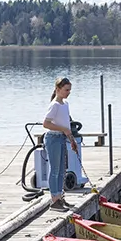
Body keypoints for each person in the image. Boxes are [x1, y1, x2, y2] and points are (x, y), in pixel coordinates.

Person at [42, 77, 78, 211]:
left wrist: (72, 139)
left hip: (62, 138)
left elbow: (66, 124)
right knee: (55, 170)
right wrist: (63, 130)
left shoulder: (65, 104)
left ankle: (60, 196)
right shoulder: (54, 105)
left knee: (62, 170)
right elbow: (46, 124)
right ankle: (54, 200)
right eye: (66, 90)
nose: (68, 92)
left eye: (69, 90)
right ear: (58, 89)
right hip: (53, 138)